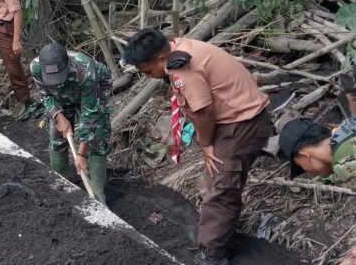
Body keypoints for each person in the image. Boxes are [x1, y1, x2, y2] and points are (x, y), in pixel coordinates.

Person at [123, 28, 275, 265]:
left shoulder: (182, 68)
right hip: (236, 117)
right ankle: (214, 233)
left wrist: (205, 145)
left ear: (161, 58)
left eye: (148, 71)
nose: (150, 77)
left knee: (221, 187)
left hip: (243, 122)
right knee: (215, 181)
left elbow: (204, 112)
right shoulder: (178, 47)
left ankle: (213, 254)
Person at [30, 43, 113, 204]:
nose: (56, 81)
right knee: (57, 135)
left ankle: (97, 192)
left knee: (97, 135)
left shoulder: (85, 70)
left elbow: (90, 116)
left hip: (94, 87)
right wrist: (59, 116)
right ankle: (61, 185)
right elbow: (45, 95)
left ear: (68, 63)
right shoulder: (36, 68)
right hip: (60, 95)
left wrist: (81, 154)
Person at [279, 92, 355, 191]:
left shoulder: (345, 165)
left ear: (305, 155)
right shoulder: (348, 129)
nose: (308, 172)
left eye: (301, 166)